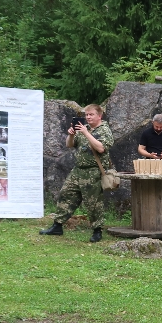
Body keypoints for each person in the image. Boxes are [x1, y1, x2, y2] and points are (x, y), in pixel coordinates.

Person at [40, 104, 114, 243]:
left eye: (91, 114)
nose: (88, 117)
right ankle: (57, 226)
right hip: (78, 170)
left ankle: (97, 231)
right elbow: (69, 144)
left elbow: (101, 148)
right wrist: (71, 135)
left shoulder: (104, 130)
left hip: (94, 171)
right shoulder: (83, 128)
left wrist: (86, 133)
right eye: (86, 115)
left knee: (93, 202)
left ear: (99, 115)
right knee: (66, 194)